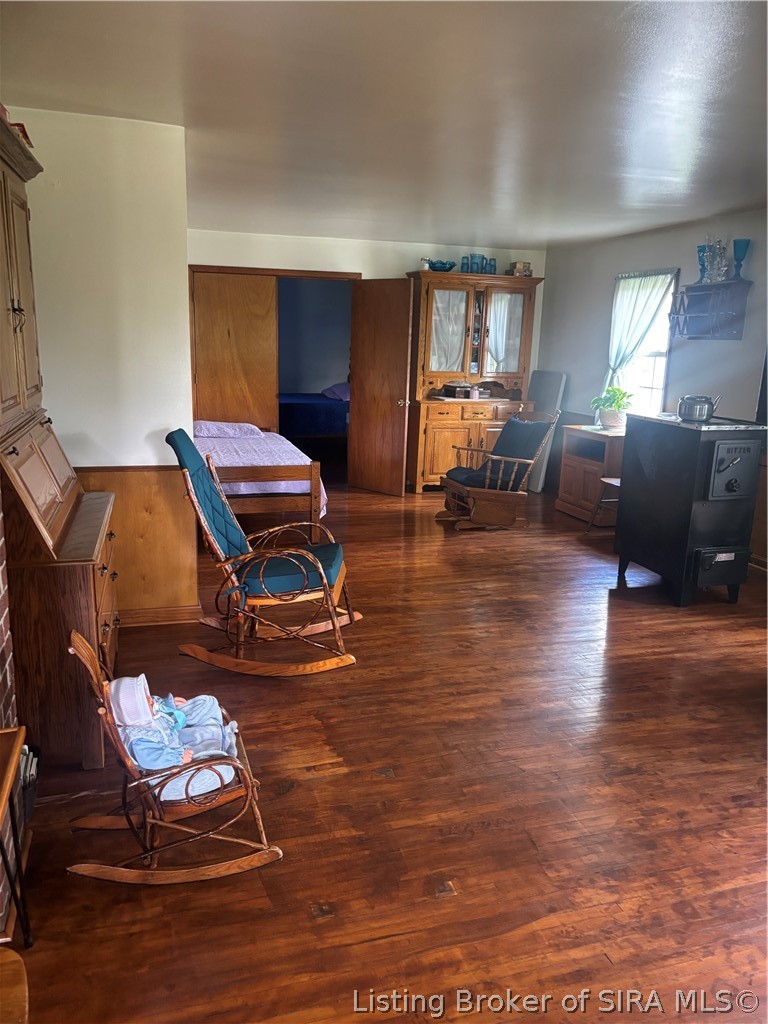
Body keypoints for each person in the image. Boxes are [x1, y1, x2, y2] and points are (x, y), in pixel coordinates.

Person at [109, 674, 238, 771]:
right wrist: (178, 757)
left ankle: (217, 736)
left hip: (173, 739)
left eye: (146, 694)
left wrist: (167, 704)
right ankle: (217, 748)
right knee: (225, 772)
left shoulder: (141, 716)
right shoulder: (139, 741)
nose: (150, 699)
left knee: (209, 702)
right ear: (135, 712)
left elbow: (157, 706)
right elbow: (152, 760)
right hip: (170, 765)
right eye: (145, 701)